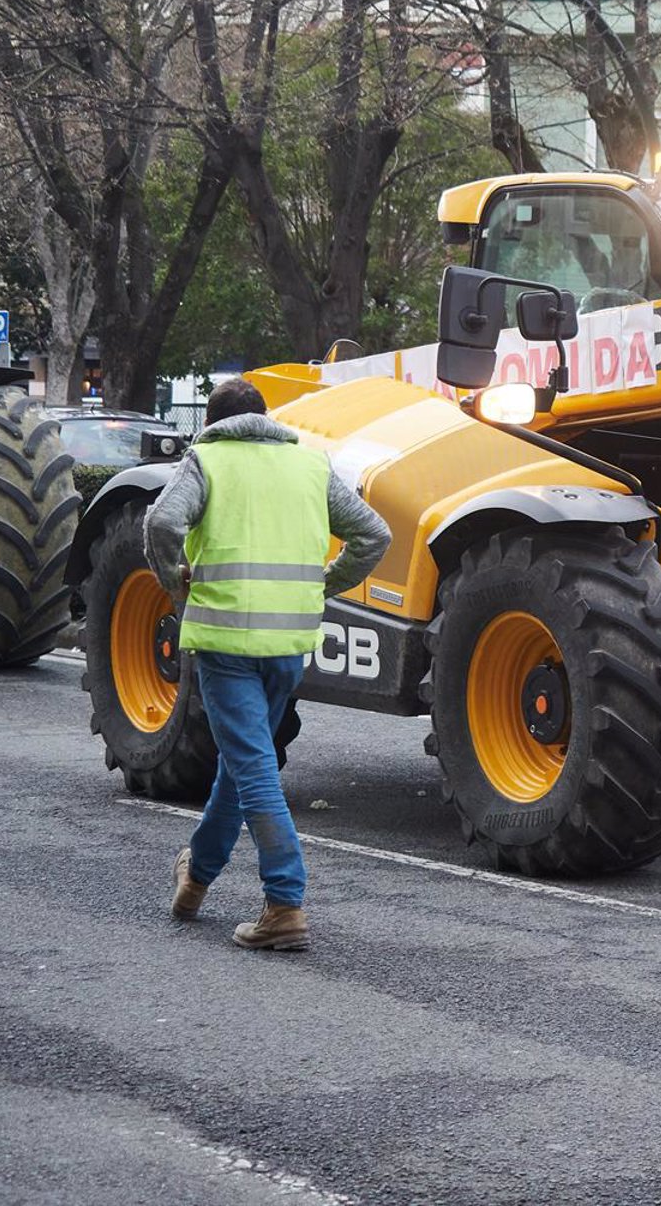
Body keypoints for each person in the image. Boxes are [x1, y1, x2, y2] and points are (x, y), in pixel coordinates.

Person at [146, 378, 390, 951]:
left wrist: (175, 587)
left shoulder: (206, 460)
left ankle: (285, 901)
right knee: (242, 761)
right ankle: (197, 875)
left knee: (252, 768)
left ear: (213, 420)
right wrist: (323, 585)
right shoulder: (310, 465)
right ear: (266, 417)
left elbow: (161, 523)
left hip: (227, 644)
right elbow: (373, 533)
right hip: (289, 644)